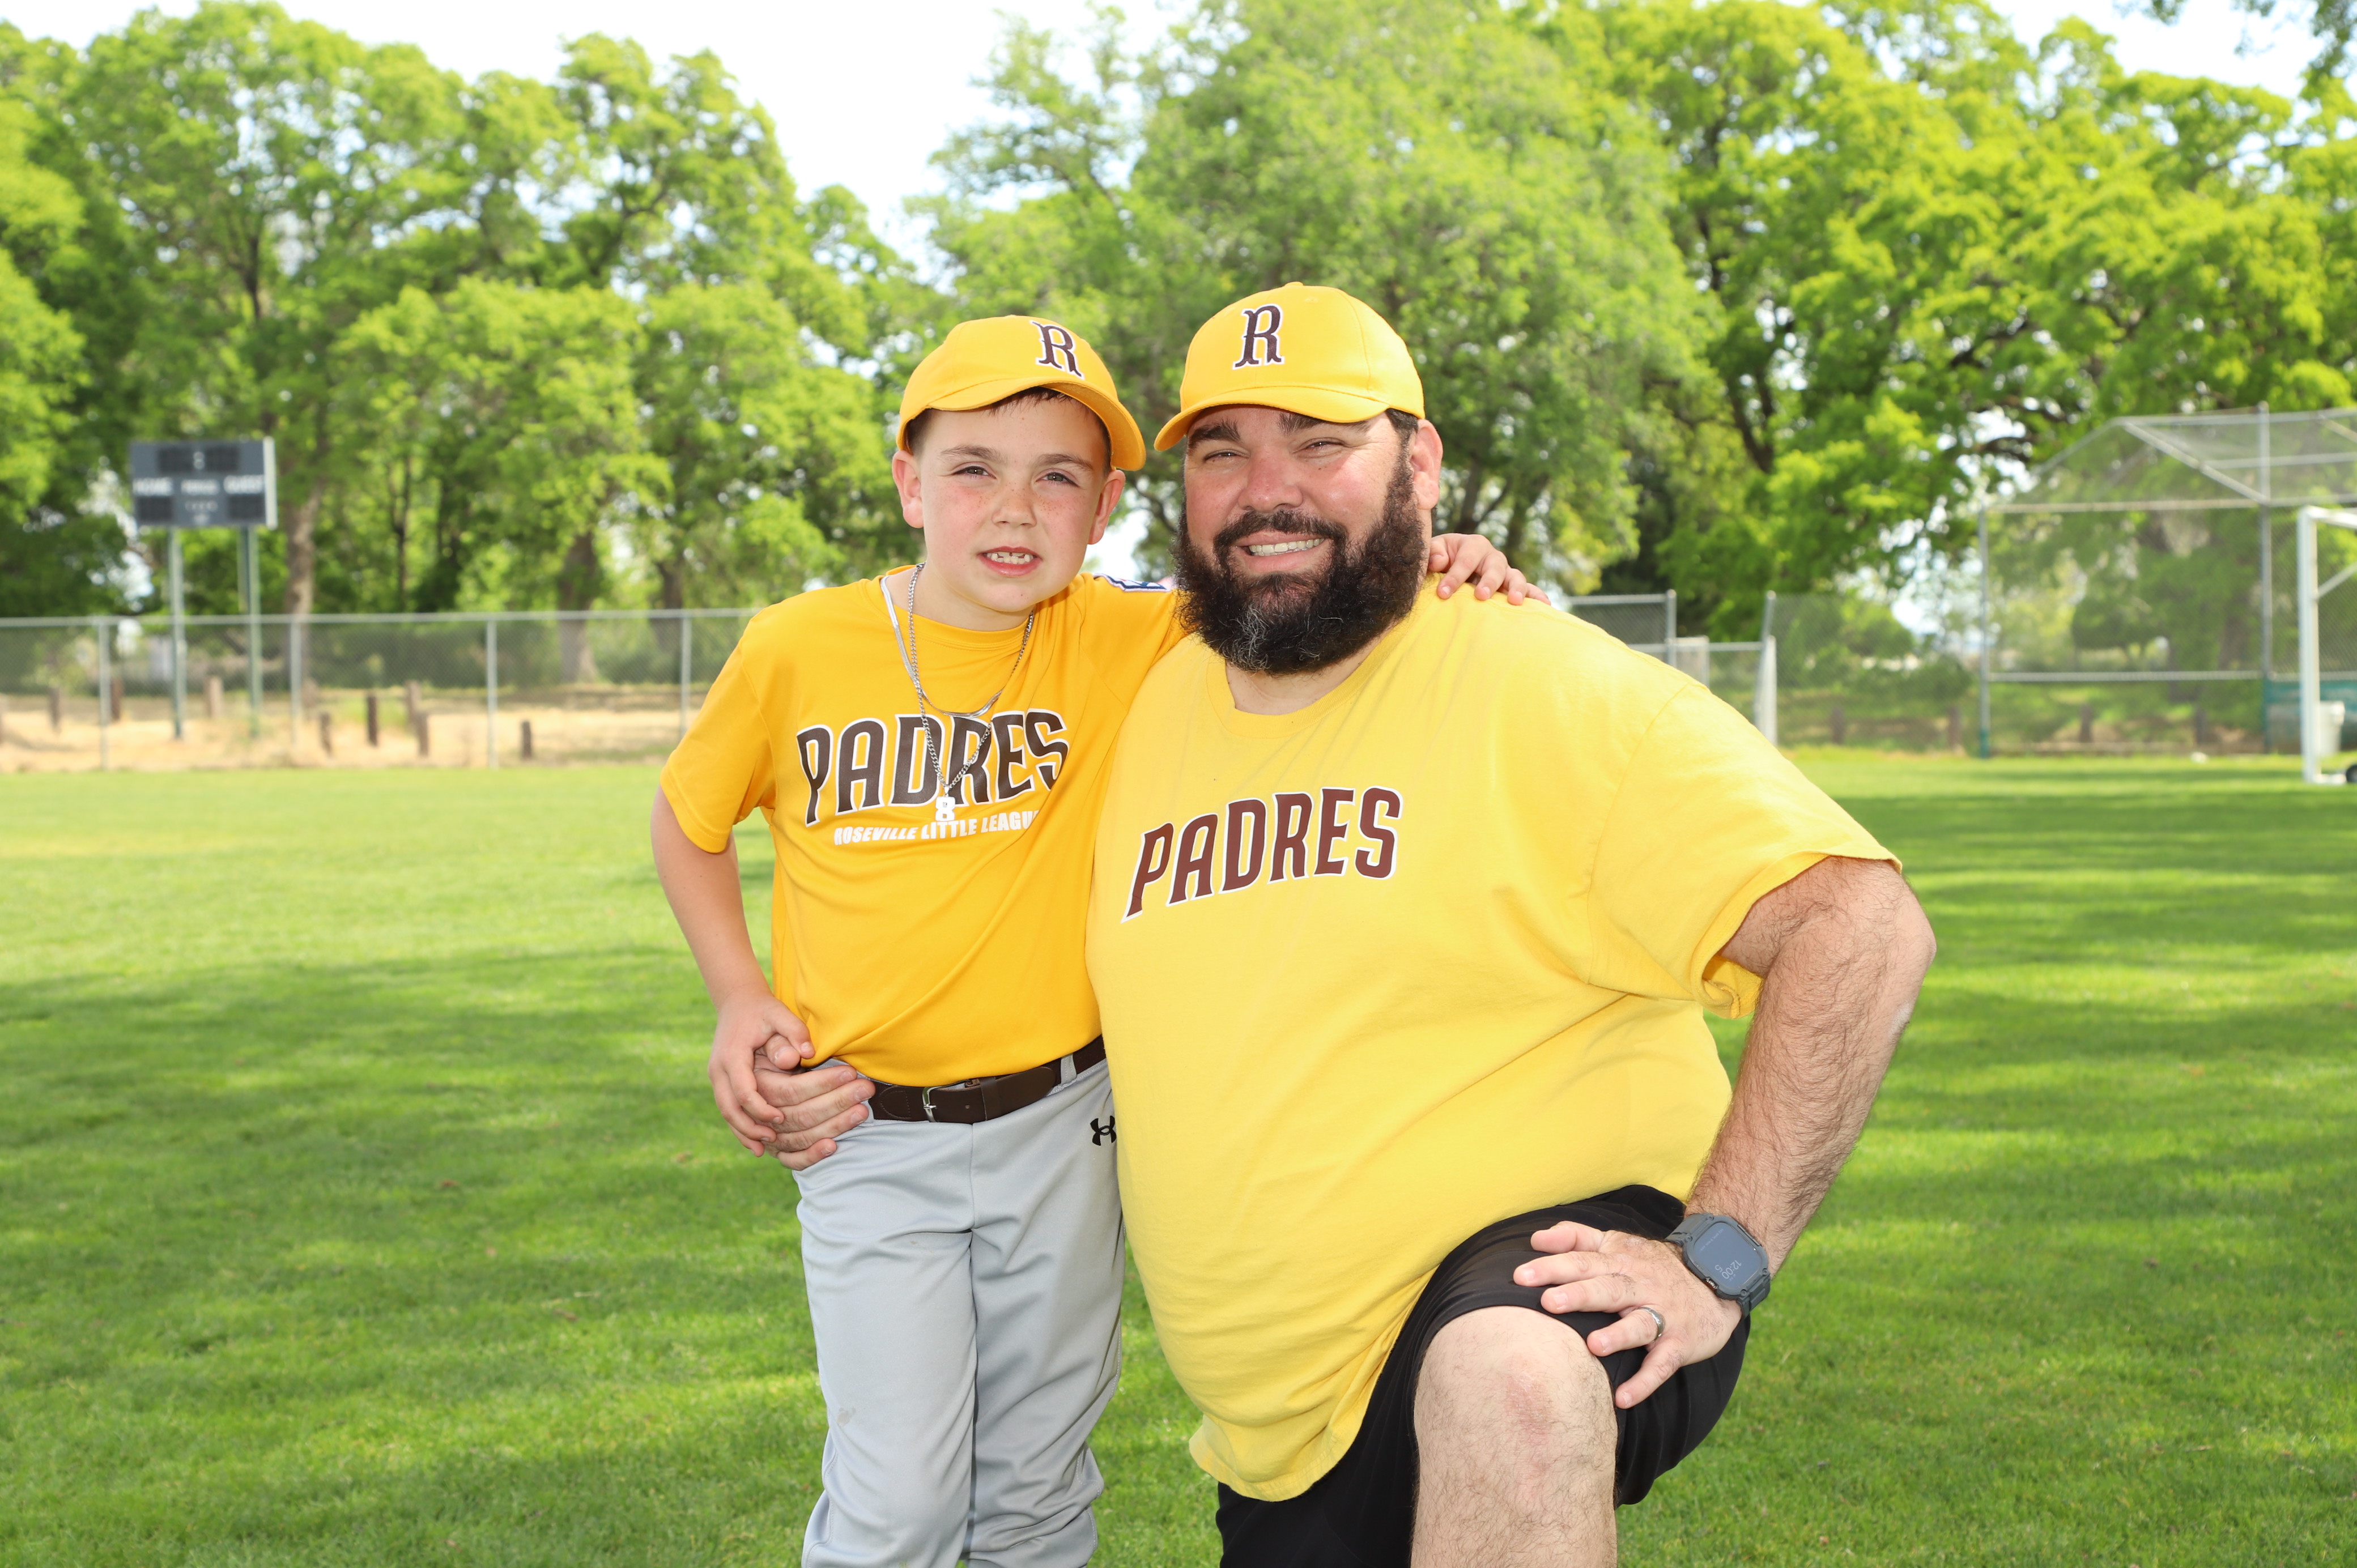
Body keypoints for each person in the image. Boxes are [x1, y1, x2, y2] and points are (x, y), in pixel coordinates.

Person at [650, 313, 1537, 1568]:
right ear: (910, 483)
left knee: (1035, 1487)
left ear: (1107, 505)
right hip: (866, 1129)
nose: (1015, 509)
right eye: (974, 469)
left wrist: (1441, 551)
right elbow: (687, 820)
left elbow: (1307, 594)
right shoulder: (800, 647)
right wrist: (739, 996)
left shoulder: (1129, 636)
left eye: (1059, 476)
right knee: (899, 1502)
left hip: (1067, 1125)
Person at [1083, 283, 1938, 1568]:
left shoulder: (1542, 681)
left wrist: (1718, 1258)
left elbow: (1858, 925)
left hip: (1546, 1258)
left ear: (1419, 464)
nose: (1268, 490)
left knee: (1513, 1381)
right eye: (1222, 452)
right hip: (1286, 1419)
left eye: (1320, 443)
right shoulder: (1142, 689)